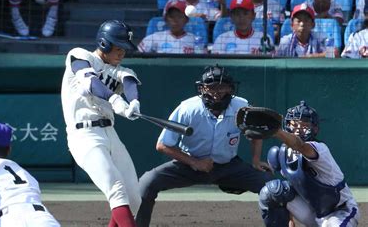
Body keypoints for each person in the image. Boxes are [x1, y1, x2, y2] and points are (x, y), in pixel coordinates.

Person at [135, 65, 273, 227]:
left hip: (229, 166)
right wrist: (194, 162)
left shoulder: (241, 107)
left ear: (231, 88)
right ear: (202, 89)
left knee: (271, 187)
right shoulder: (188, 109)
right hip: (189, 166)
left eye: (222, 87)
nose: (217, 92)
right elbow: (163, 145)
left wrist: (256, 160)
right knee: (147, 182)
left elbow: (256, 133)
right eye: (211, 87)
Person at [61, 20, 142, 227]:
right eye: (118, 47)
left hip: (110, 133)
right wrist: (115, 100)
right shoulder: (79, 55)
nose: (122, 52)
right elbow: (91, 82)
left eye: (125, 48)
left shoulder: (118, 69)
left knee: (133, 199)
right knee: (116, 189)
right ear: (104, 43)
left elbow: (129, 82)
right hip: (85, 136)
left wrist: (133, 102)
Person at [258, 101, 359, 226]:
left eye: (304, 125)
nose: (298, 129)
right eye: (294, 125)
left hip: (339, 211)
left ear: (315, 129)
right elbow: (292, 188)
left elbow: (299, 145)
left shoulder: (319, 148)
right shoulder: (283, 154)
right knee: (272, 191)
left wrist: (276, 132)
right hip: (313, 212)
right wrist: (290, 220)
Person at [138, 0, 205, 54]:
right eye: (172, 17)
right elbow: (138, 55)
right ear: (166, 19)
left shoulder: (195, 41)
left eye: (179, 17)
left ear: (186, 20)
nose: (175, 20)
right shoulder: (154, 38)